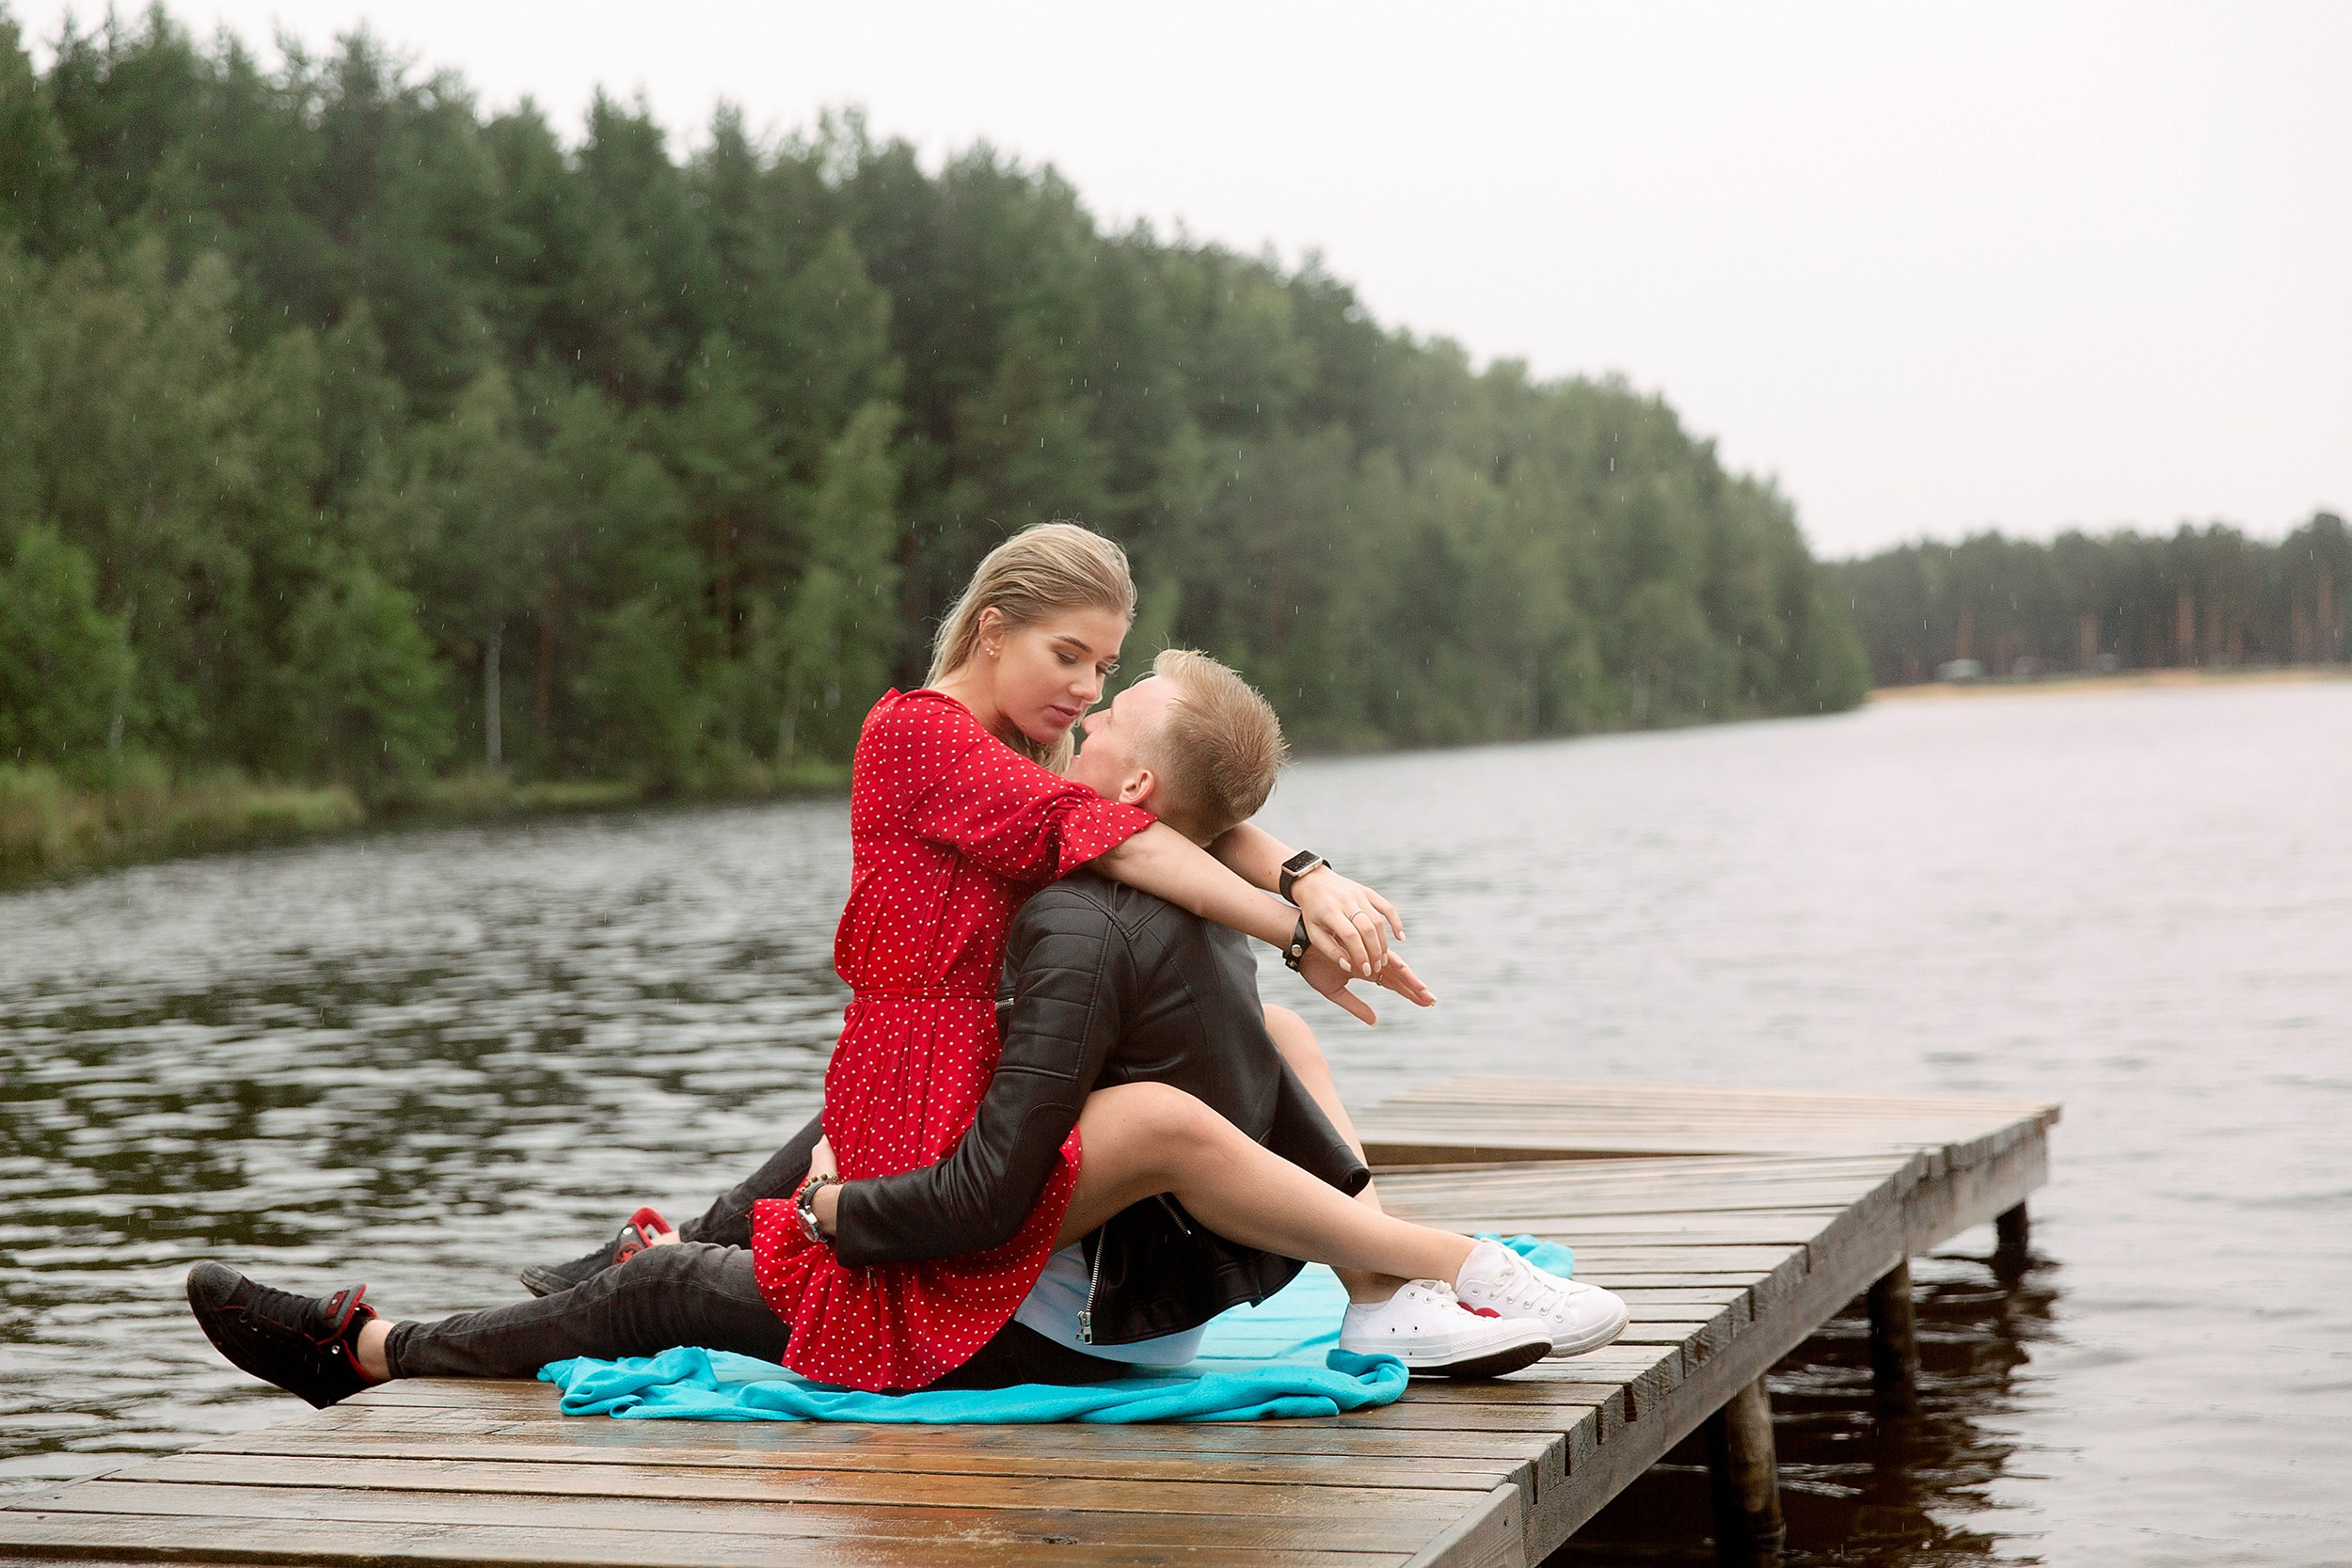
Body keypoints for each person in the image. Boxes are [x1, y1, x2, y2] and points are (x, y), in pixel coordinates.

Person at [186, 529, 1622, 1405]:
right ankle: (583, 1281)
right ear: (990, 627)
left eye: (1102, 675)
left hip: (944, 1127)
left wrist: (1293, 873)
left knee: (687, 1280)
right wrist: (1293, 912)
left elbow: (1162, 815)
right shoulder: (923, 737)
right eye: (1069, 659)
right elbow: (1128, 820)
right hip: (910, 1074)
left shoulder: (1046, 771)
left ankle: (372, 1348)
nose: (1082, 696)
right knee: (716, 1230)